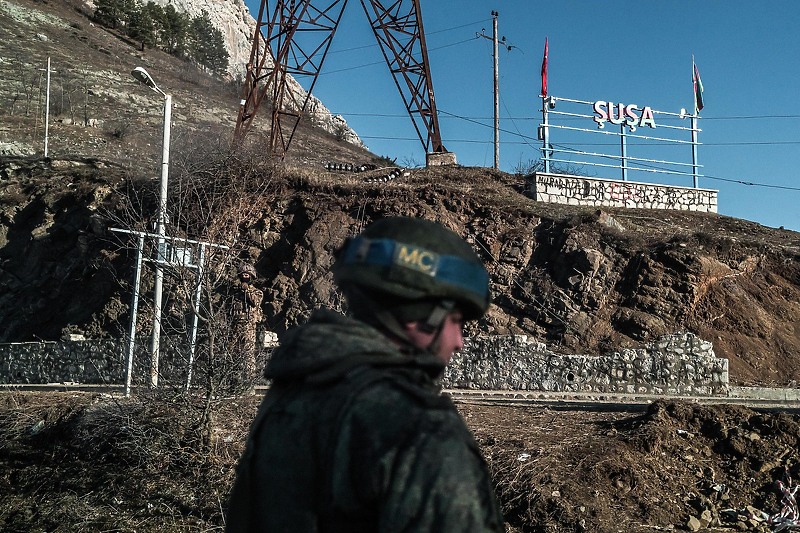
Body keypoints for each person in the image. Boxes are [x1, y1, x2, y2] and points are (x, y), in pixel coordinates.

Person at [225, 216, 504, 532]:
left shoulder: (291, 392)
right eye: (456, 321)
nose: (458, 342)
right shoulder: (415, 427)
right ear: (420, 315)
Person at [229, 262, 263, 383]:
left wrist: (247, 290)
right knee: (233, 353)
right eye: (242, 274)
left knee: (248, 354)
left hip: (248, 327)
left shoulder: (257, 292)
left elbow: (255, 302)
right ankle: (234, 381)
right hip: (234, 326)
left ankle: (249, 382)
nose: (245, 276)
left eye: (247, 274)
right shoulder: (234, 293)